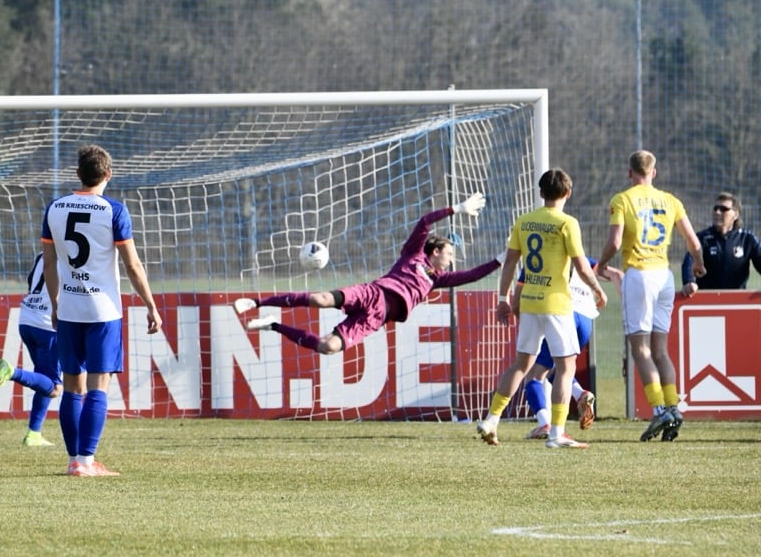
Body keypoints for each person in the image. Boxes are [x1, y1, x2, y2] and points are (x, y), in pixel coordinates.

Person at [236, 193, 501, 355]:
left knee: (328, 347)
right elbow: (425, 222)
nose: (452, 259)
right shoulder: (414, 253)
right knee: (320, 300)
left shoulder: (437, 280)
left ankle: (272, 325)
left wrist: (504, 257)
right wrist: (456, 209)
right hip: (372, 293)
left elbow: (473, 275)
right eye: (450, 253)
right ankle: (256, 302)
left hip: (377, 317)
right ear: (436, 250)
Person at [42, 144, 161, 477]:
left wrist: (55, 302)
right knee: (98, 384)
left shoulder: (55, 208)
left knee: (71, 385)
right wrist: (151, 305)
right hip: (103, 311)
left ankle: (73, 460)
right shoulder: (114, 211)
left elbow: (49, 264)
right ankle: (86, 461)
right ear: (108, 174)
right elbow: (132, 265)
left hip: (69, 306)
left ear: (78, 174)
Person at [475, 169, 608, 449]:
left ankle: (491, 419)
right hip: (557, 304)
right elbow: (582, 266)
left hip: (530, 302)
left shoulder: (524, 221)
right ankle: (556, 433)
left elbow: (510, 262)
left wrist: (503, 298)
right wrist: (598, 290)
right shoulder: (567, 223)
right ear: (568, 193)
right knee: (566, 367)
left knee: (522, 365)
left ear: (540, 192)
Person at [594, 150, 705, 442]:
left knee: (640, 350)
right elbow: (693, 241)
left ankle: (658, 410)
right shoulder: (671, 201)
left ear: (629, 172)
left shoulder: (622, 200)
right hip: (664, 276)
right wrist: (698, 263)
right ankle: (673, 407)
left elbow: (615, 241)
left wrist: (602, 264)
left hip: (640, 275)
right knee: (660, 351)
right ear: (654, 172)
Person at [515, 255, 618, 439]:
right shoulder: (581, 257)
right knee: (559, 370)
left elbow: (522, 290)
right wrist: (613, 281)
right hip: (586, 320)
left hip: (564, 314)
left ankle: (545, 424)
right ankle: (580, 394)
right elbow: (606, 271)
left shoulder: (543, 255)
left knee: (534, 375)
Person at [0, 252, 60, 447]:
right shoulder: (67, 254)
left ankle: (33, 434)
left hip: (27, 319)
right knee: (54, 388)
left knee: (43, 380)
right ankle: (11, 371)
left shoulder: (42, 254)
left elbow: (31, 280)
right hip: (48, 324)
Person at [680, 192, 761, 295]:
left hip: (736, 300)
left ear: (735, 215)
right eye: (716, 208)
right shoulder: (703, 238)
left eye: (723, 209)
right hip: (707, 300)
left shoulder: (747, 239)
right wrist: (689, 281)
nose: (717, 212)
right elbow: (689, 260)